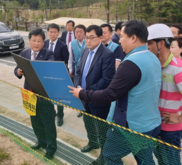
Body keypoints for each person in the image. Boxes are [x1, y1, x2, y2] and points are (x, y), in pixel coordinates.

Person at [69, 20, 162, 165]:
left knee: (109, 155)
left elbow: (110, 93)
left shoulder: (131, 63)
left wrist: (82, 94)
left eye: (122, 36)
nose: (119, 40)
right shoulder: (152, 57)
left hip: (130, 127)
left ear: (133, 38)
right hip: (150, 123)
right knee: (145, 159)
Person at [147, 24, 182, 165]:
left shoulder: (178, 68)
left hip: (170, 131)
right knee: (161, 161)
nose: (146, 47)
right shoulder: (155, 64)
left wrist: (179, 118)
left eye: (149, 43)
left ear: (160, 44)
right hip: (156, 125)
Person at [74, 25, 115, 164]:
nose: (88, 40)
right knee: (88, 123)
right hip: (84, 98)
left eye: (92, 37)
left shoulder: (107, 54)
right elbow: (78, 71)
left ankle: (104, 155)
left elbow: (106, 80)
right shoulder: (85, 50)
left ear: (100, 37)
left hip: (98, 100)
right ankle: (92, 143)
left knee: (102, 130)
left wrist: (87, 93)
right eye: (86, 37)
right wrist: (78, 87)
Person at [14, 28, 57, 160]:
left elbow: (50, 67)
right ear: (29, 41)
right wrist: (18, 72)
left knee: (48, 122)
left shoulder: (49, 54)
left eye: (39, 41)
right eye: (34, 40)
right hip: (29, 94)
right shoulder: (25, 52)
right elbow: (17, 67)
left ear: (43, 42)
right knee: (35, 121)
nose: (36, 43)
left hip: (44, 96)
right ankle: (41, 141)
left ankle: (51, 148)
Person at [44, 23, 69, 127]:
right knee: (49, 95)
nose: (52, 34)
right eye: (51, 32)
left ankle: (60, 116)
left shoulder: (63, 46)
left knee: (59, 97)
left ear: (58, 33)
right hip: (46, 75)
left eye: (55, 32)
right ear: (48, 32)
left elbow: (66, 60)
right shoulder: (44, 43)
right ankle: (52, 113)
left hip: (58, 76)